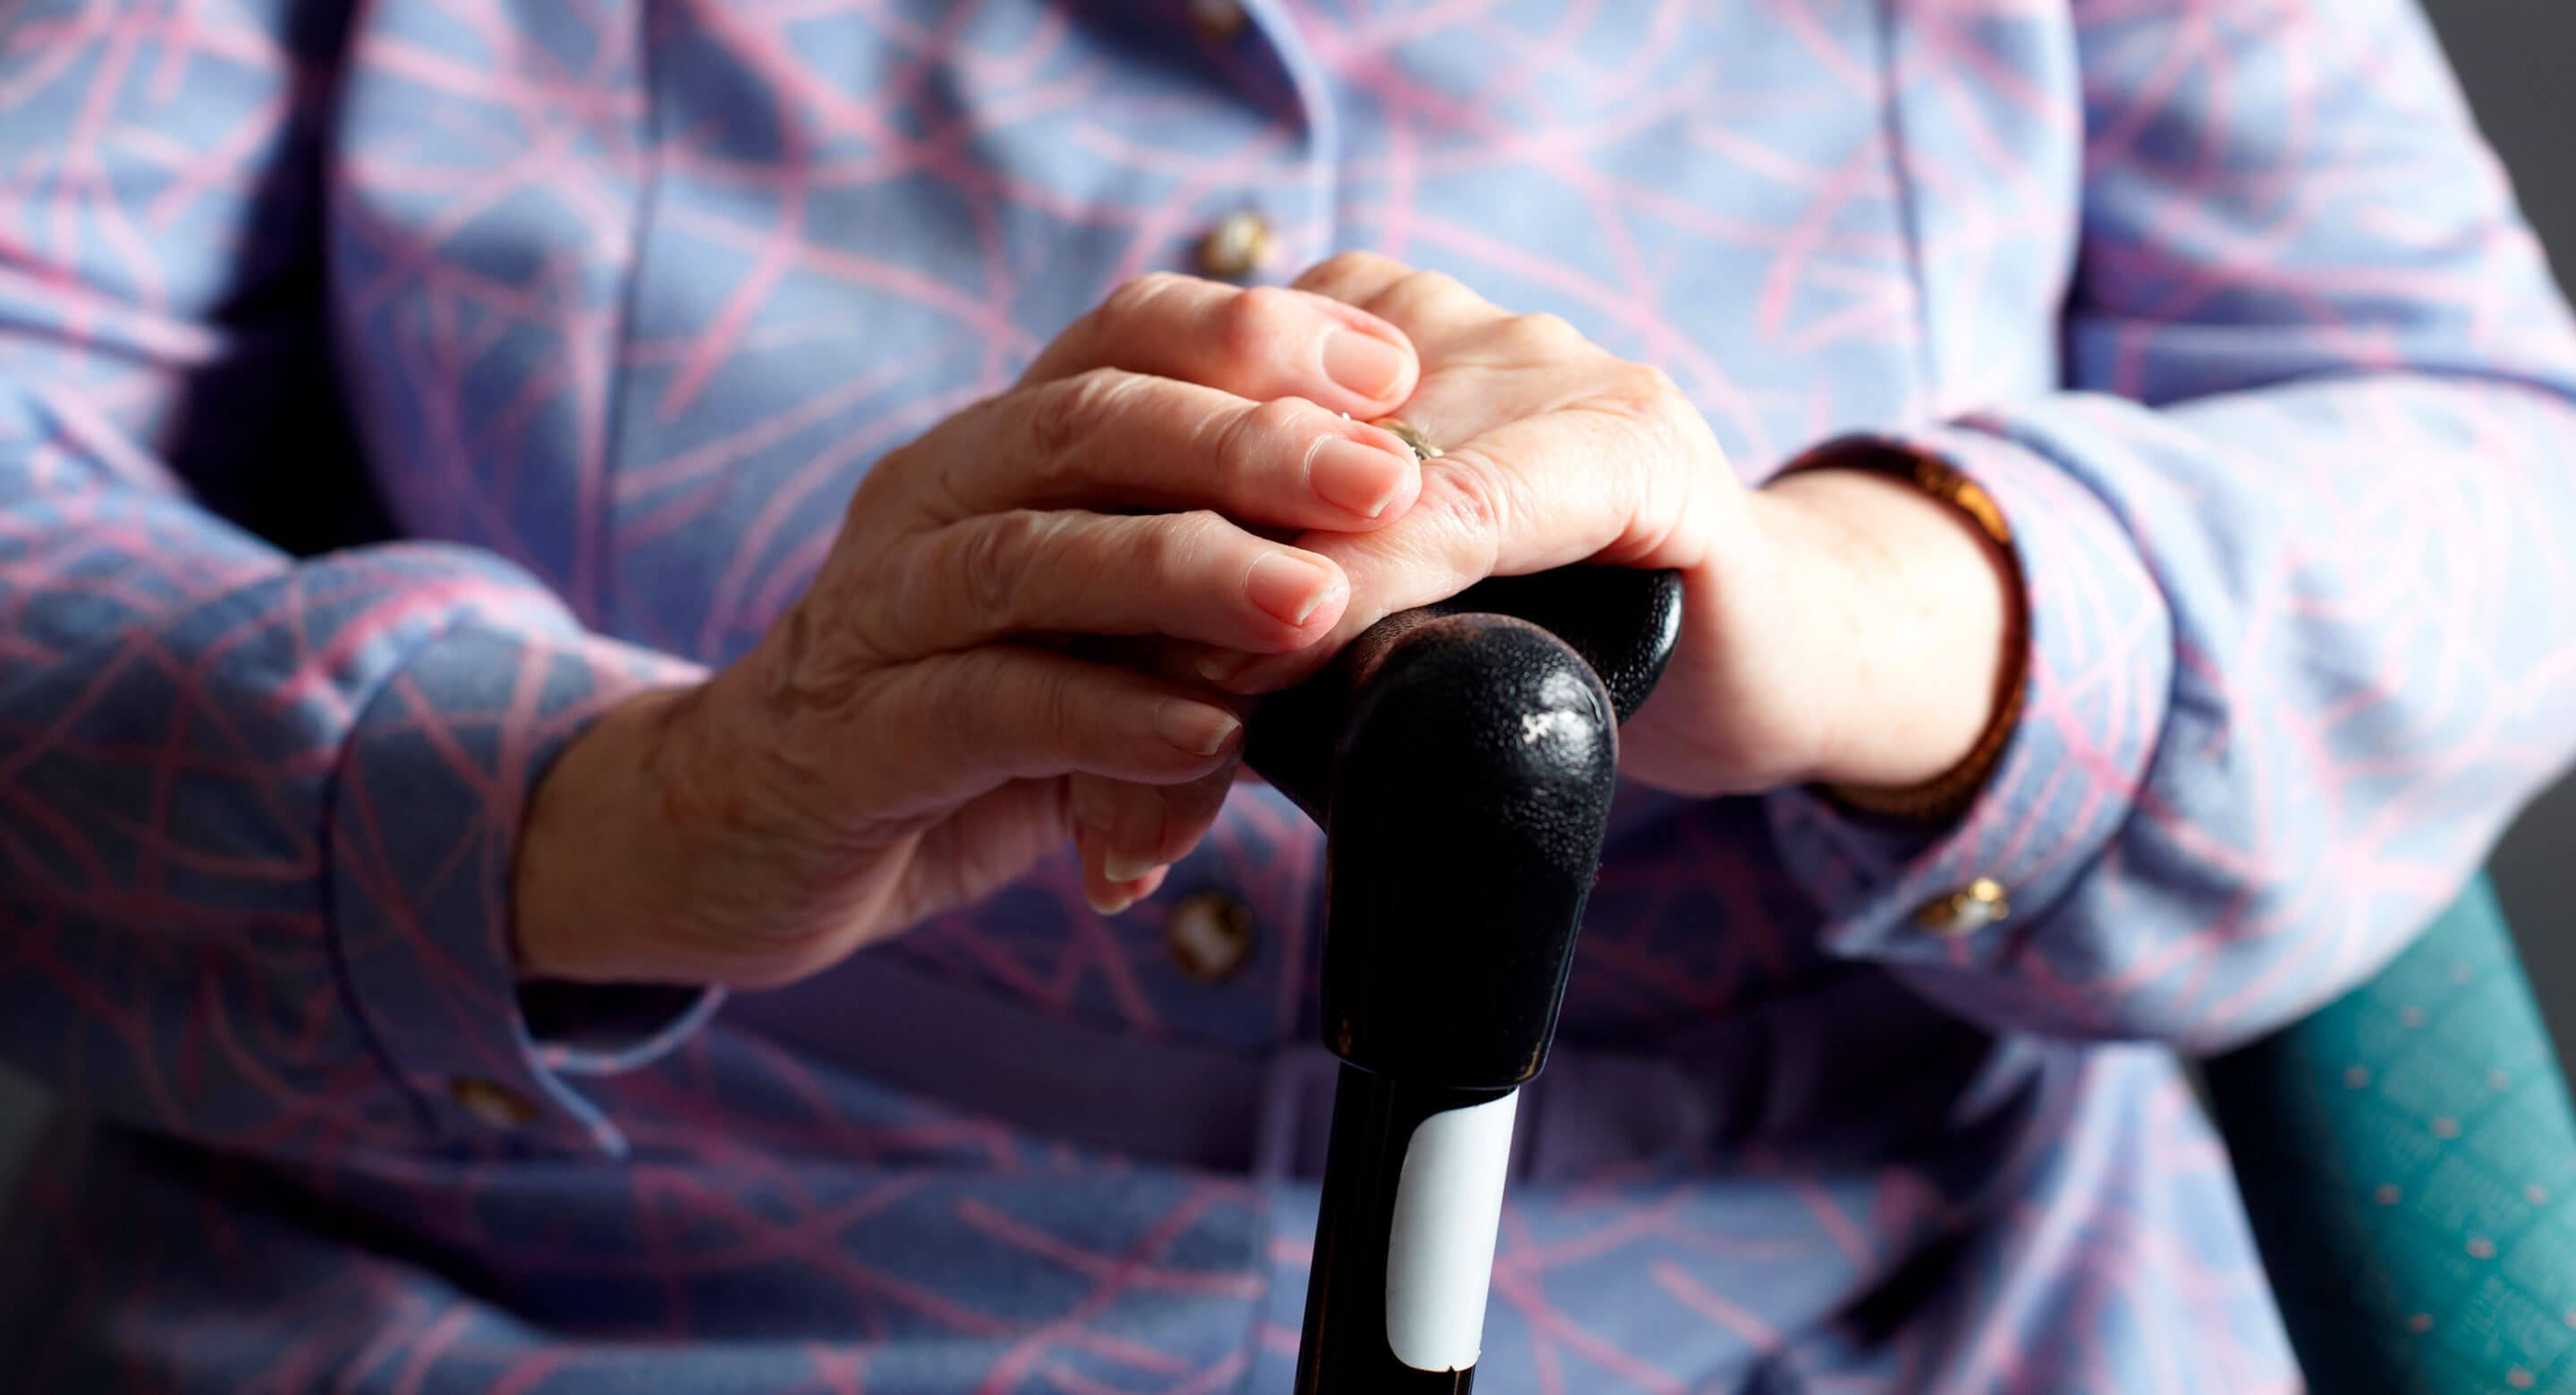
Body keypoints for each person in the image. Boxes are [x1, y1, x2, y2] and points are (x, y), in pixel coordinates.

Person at [1, 0, 2572, 1389]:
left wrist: (1841, 603)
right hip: (557, 1294)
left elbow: (2500, 477)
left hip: (1878, 1299)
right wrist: (633, 811)